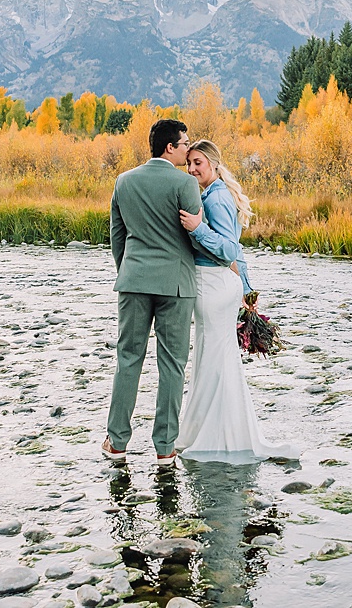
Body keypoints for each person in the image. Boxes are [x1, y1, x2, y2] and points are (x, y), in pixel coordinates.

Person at [173, 138, 298, 461]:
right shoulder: (212, 193)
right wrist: (246, 289)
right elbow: (235, 254)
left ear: (213, 163)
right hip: (216, 286)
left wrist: (198, 228)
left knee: (214, 361)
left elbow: (229, 250)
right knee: (211, 359)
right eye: (189, 163)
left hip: (214, 286)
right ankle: (208, 430)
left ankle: (217, 436)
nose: (191, 169)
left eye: (197, 162)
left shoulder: (216, 199)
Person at [103, 118, 202, 467]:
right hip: (176, 284)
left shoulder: (124, 181)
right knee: (172, 366)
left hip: (133, 280)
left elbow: (117, 236)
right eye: (185, 143)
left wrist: (128, 270)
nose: (190, 149)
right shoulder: (185, 183)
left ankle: (117, 442)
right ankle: (164, 447)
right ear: (169, 147)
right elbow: (195, 236)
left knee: (128, 358)